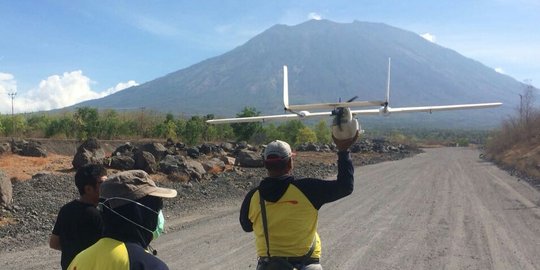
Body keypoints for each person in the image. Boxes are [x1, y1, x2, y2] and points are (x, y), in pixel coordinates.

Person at [240, 133, 358, 270]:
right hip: (307, 264)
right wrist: (343, 150)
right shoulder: (308, 189)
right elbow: (345, 187)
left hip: (268, 266)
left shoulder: (253, 196)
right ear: (290, 163)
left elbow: (246, 226)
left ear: (265, 164)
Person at [68, 170, 177, 270]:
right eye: (156, 205)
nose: (158, 212)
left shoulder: (78, 261)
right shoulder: (147, 265)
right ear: (139, 210)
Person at [49, 163, 107, 270]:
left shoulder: (65, 209)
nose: (107, 187)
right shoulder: (98, 215)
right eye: (102, 183)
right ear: (88, 189)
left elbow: (54, 243)